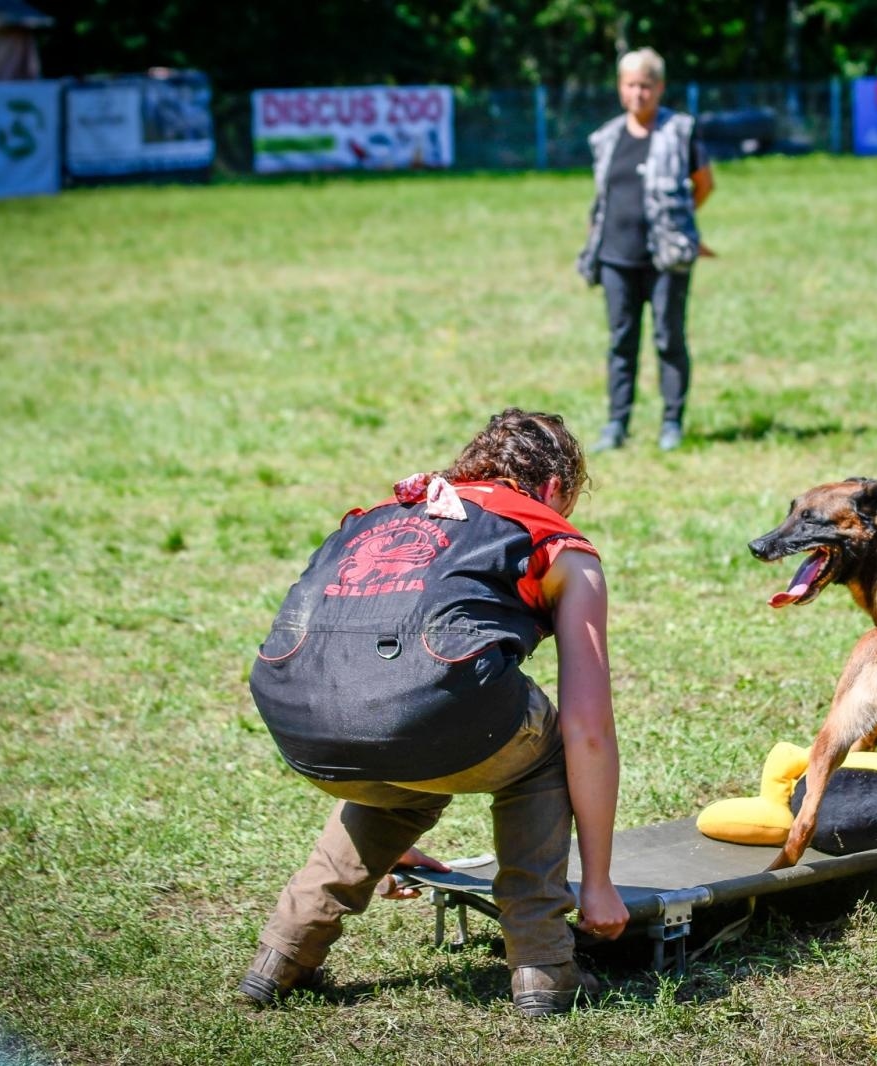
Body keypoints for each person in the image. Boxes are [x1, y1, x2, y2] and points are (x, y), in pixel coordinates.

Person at [240, 408, 628, 1018]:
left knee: (412, 747)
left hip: (301, 724)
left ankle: (282, 952)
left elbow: (360, 664)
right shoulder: (556, 543)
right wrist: (599, 884)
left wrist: (388, 812)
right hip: (423, 720)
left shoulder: (379, 517)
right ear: (554, 490)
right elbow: (591, 732)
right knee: (546, 749)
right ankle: (544, 964)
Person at [576, 46, 715, 453]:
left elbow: (703, 184)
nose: (639, 93)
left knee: (668, 338)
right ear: (621, 88)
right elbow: (602, 197)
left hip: (666, 258)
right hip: (616, 256)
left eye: (646, 85)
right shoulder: (606, 137)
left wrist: (678, 223)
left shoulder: (680, 131)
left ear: (660, 88)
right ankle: (617, 424)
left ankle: (672, 422)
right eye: (631, 85)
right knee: (621, 341)